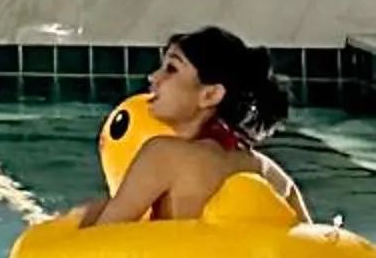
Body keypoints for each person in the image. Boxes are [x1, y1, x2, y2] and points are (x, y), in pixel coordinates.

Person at [73, 28, 307, 229]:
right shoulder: (271, 174)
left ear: (210, 94)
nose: (153, 77)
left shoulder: (163, 155)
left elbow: (104, 236)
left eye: (171, 69)